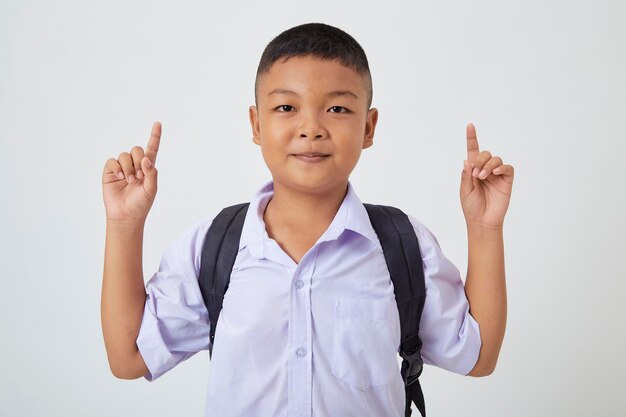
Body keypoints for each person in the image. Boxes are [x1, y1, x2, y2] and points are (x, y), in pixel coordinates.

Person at [101, 22, 514, 417]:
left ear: (368, 128)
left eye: (337, 108)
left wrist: (485, 227)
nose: (311, 128)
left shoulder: (401, 246)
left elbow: (476, 356)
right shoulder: (214, 246)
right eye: (286, 107)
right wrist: (124, 224)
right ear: (256, 124)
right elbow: (129, 357)